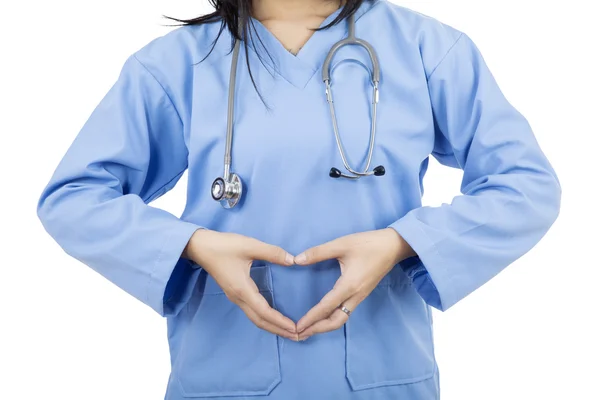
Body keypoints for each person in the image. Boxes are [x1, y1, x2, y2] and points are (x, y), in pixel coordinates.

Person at [36, 0, 561, 398]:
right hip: (222, 374)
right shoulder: (176, 63)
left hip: (386, 376)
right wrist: (194, 245)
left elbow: (525, 185)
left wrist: (401, 242)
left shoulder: (427, 49)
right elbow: (75, 197)